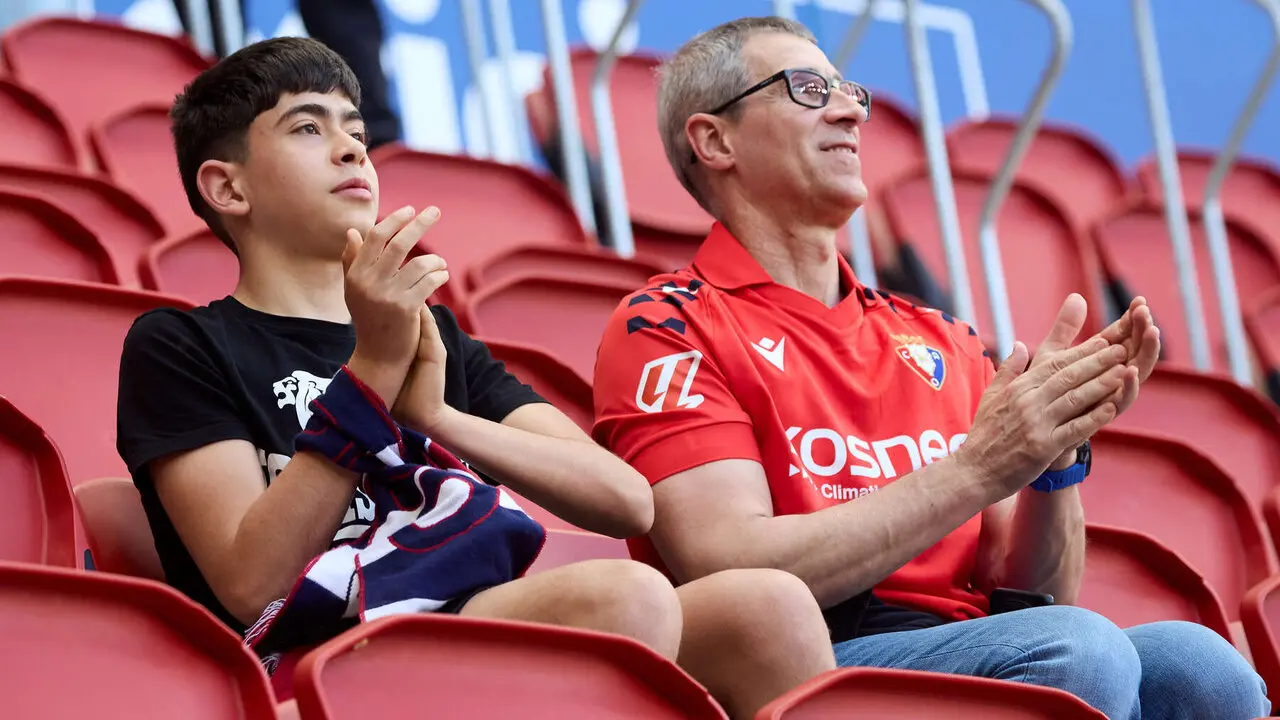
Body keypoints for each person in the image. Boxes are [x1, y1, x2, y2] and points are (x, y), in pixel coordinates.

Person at [114, 36, 834, 719]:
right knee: (628, 600)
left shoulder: (435, 337)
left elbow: (627, 501)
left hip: (461, 619)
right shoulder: (181, 345)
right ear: (226, 188)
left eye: (358, 134)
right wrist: (368, 377)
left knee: (769, 607)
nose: (350, 151)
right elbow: (250, 586)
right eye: (308, 129)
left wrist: (441, 418)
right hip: (310, 655)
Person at [591, 16, 1268, 720]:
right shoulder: (667, 323)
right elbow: (729, 563)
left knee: (1202, 668)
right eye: (808, 88)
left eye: (850, 91)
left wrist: (1052, 461)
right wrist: (977, 468)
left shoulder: (938, 336)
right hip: (807, 657)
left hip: (972, 641)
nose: (851, 108)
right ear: (714, 140)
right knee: (1078, 652)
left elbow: (1033, 595)